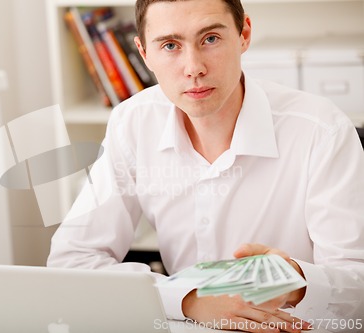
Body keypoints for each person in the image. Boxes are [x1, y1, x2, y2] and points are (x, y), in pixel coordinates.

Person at [47, 0, 364, 331]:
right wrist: (188, 297)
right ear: (144, 53)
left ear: (244, 35)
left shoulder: (321, 129)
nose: (193, 67)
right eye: (170, 45)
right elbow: (71, 261)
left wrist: (299, 282)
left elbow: (357, 281)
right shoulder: (133, 122)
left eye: (210, 38)